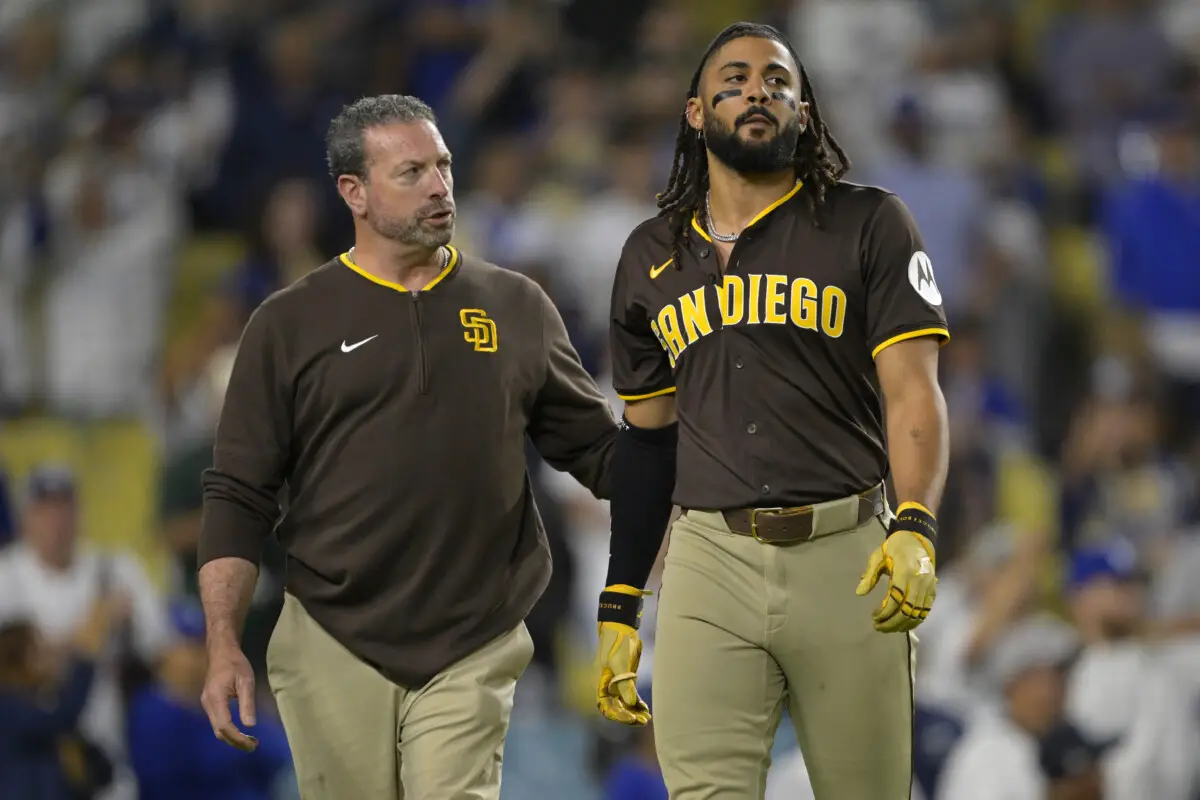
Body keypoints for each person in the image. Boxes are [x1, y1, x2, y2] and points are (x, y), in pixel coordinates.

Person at [198, 94, 618, 800]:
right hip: (332, 636)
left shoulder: (516, 306)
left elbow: (598, 451)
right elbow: (238, 494)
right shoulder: (288, 323)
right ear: (354, 193)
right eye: (412, 172)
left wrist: (692, 478)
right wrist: (222, 644)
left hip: (473, 636)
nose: (439, 187)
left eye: (444, 166)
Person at [594, 22, 951, 800]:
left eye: (777, 81)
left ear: (803, 112)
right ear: (696, 113)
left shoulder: (869, 222)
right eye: (734, 79)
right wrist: (622, 598)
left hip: (846, 554)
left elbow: (913, 391)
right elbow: (648, 443)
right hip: (707, 560)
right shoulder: (648, 255)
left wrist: (917, 523)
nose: (757, 90)